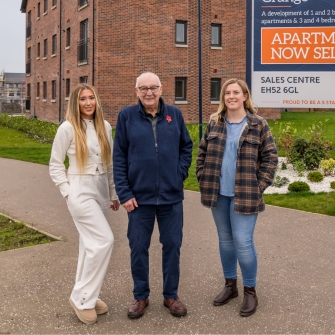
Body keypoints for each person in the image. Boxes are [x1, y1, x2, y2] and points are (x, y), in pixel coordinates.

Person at [113, 71, 193, 319]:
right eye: (144, 88)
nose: (149, 92)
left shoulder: (175, 115)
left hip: (171, 198)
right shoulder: (126, 117)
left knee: (172, 246)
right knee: (138, 247)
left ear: (161, 89)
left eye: (154, 87)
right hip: (138, 200)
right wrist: (124, 193)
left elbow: (186, 147)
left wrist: (178, 173)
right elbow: (118, 158)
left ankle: (171, 295)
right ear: (136, 91)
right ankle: (140, 296)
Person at [196, 78, 278, 317]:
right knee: (225, 240)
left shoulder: (257, 124)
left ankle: (250, 291)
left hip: (245, 195)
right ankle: (230, 285)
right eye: (227, 93)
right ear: (223, 98)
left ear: (244, 96)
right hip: (218, 194)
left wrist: (258, 185)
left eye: (236, 92)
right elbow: (201, 153)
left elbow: (271, 158)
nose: (231, 96)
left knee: (243, 242)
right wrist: (202, 177)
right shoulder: (215, 123)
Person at [49, 83, 120, 325]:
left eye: (91, 98)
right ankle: (82, 298)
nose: (88, 103)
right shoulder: (67, 128)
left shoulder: (105, 126)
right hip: (79, 189)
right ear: (75, 103)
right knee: (104, 241)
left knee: (89, 246)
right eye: (82, 99)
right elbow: (55, 165)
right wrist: (67, 193)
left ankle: (90, 294)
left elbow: (109, 165)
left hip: (100, 188)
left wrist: (113, 195)